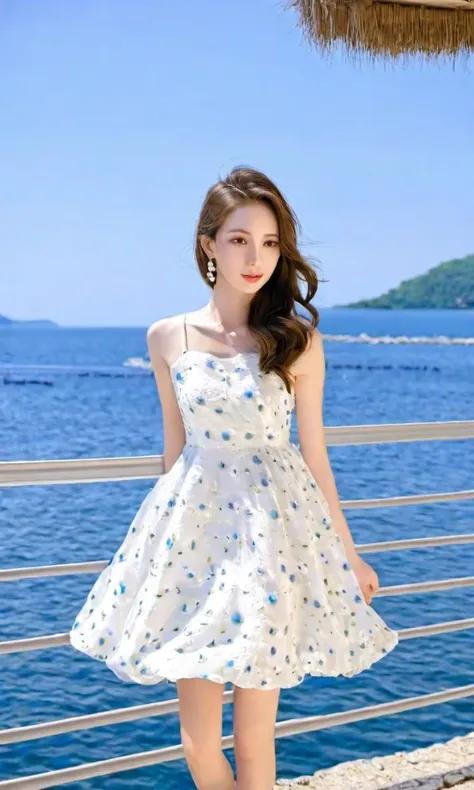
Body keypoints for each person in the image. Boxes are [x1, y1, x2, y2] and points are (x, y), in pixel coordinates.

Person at [69, 165, 399, 790]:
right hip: (192, 543)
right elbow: (174, 454)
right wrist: (158, 563)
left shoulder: (296, 340)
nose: (258, 257)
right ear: (208, 246)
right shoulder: (167, 337)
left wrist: (347, 554)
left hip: (272, 544)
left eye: (271, 243)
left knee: (254, 739)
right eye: (241, 239)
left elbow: (315, 455)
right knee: (197, 744)